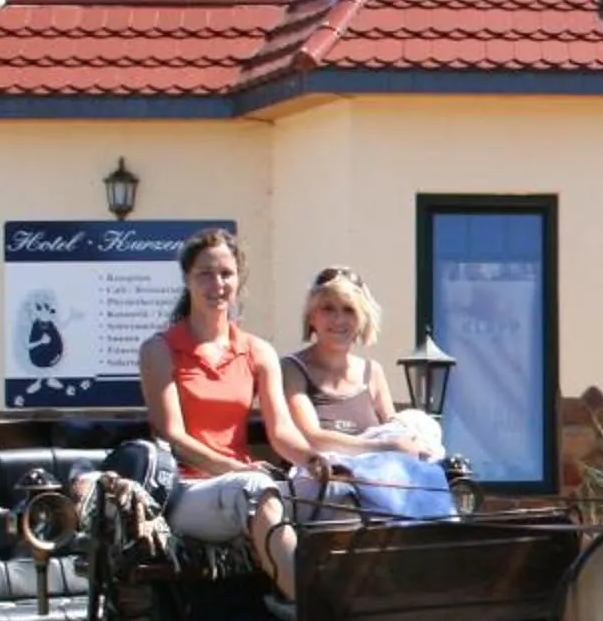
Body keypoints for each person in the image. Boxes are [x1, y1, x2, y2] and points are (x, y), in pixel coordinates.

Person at [138, 228, 313, 595]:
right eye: (205, 273)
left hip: (241, 484)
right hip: (185, 489)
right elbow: (174, 437)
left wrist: (318, 463)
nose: (216, 283)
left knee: (333, 499)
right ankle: (309, 611)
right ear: (187, 280)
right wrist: (237, 468)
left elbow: (281, 433)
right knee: (254, 489)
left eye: (226, 274)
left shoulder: (258, 351)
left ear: (238, 279)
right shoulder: (160, 350)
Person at [280, 267, 453, 519]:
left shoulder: (373, 373)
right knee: (347, 499)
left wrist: (412, 442)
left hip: (378, 489)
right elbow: (312, 438)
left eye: (349, 310)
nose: (339, 320)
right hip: (322, 485)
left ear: (362, 319)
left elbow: (394, 430)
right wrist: (383, 446)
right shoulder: (292, 369)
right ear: (311, 317)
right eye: (328, 308)